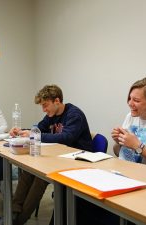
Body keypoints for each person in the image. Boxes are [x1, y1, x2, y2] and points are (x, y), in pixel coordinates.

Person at [8, 84, 93, 225]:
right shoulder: (51, 115)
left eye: (45, 105)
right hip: (59, 158)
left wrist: (35, 134)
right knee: (29, 171)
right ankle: (14, 212)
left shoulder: (74, 114)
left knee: (41, 178)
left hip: (78, 161)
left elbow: (66, 138)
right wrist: (22, 131)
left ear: (57, 101)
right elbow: (38, 129)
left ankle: (17, 221)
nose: (44, 109)